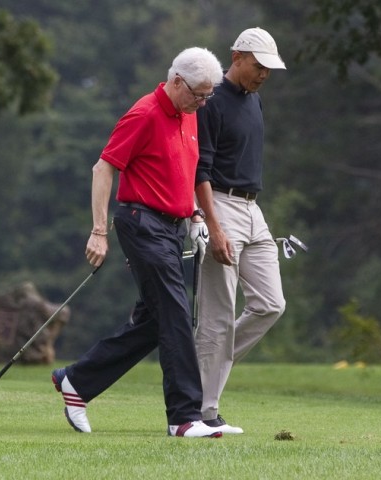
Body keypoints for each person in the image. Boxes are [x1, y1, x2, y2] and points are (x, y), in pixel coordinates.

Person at [51, 47, 224, 438]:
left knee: (155, 321)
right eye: (198, 93)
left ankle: (76, 381)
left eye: (208, 96)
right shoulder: (144, 113)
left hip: (172, 226)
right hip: (140, 223)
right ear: (176, 81)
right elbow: (103, 167)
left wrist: (194, 214)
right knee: (179, 315)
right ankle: (184, 418)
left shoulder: (189, 116)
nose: (203, 102)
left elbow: (181, 173)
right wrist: (98, 231)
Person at [193, 27, 287, 435]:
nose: (264, 73)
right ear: (237, 56)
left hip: (253, 208)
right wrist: (212, 226)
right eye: (258, 65)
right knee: (217, 316)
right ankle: (201, 412)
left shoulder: (256, 101)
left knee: (271, 304)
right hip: (220, 205)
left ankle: (199, 368)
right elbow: (200, 170)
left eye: (269, 68)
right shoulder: (211, 101)